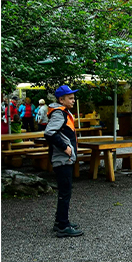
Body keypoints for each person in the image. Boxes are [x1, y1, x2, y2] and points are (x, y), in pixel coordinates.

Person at [42, 85, 83, 237]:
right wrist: (66, 147)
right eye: (70, 98)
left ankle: (61, 221)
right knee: (65, 192)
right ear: (61, 99)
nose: (73, 100)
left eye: (73, 97)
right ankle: (62, 225)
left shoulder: (64, 112)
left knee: (65, 191)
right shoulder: (60, 113)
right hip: (62, 159)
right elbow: (49, 133)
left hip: (64, 159)